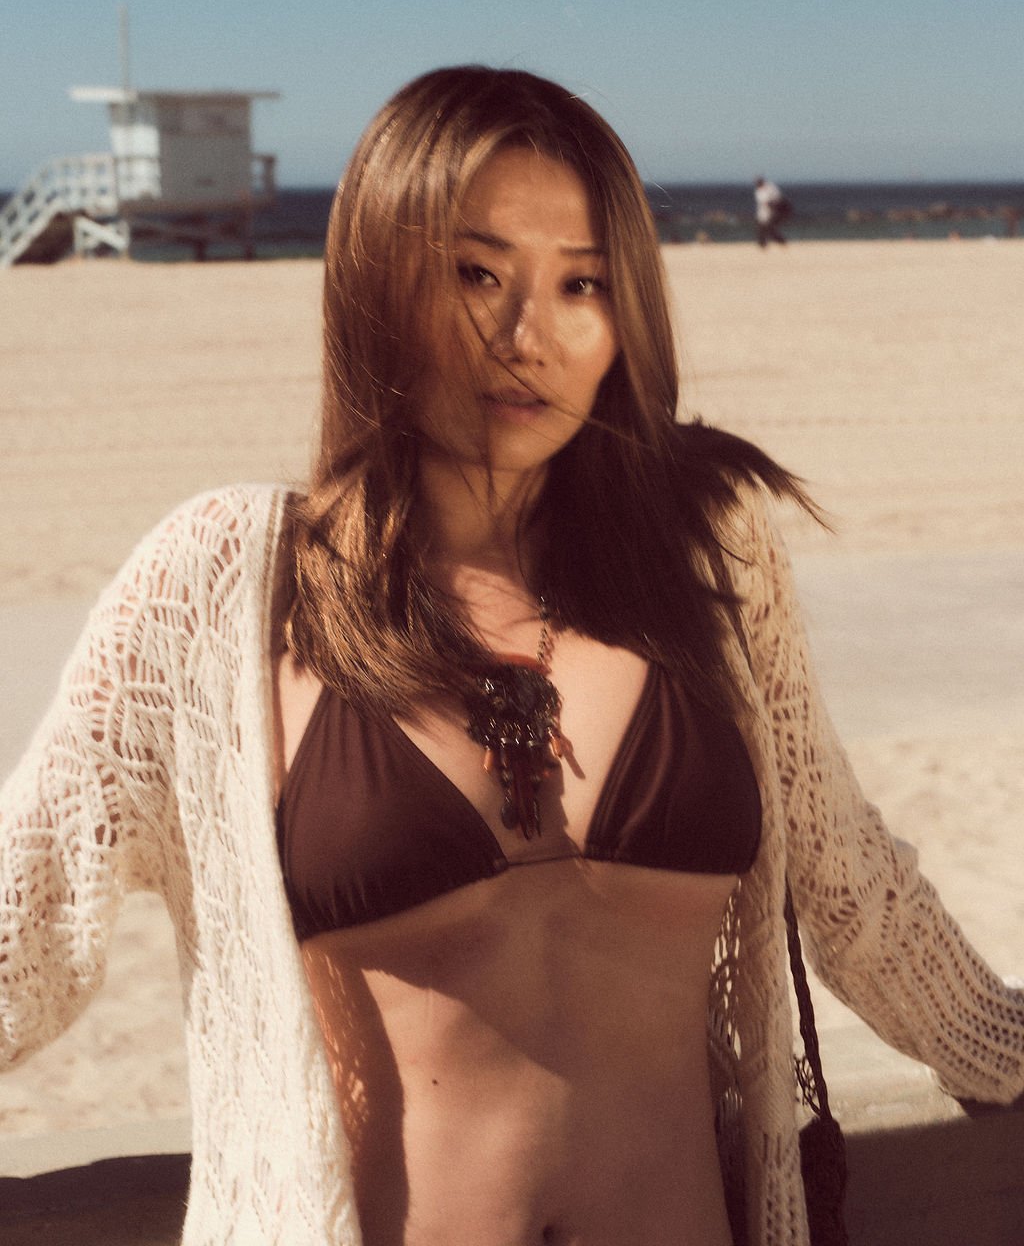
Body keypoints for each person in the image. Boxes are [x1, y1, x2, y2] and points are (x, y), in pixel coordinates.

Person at [2, 66, 1022, 1246]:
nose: (526, 335)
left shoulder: (705, 554)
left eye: (579, 283)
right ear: (377, 285)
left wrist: (1000, 1039)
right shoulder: (220, 588)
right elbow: (29, 924)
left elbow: (850, 885)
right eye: (475, 274)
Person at [754, 176, 791, 247]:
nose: (757, 183)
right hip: (765, 211)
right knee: (762, 228)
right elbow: (762, 204)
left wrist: (773, 207)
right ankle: (762, 243)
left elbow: (777, 197)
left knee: (769, 228)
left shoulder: (770, 187)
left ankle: (781, 241)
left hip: (776, 209)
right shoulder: (758, 192)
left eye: (758, 182)